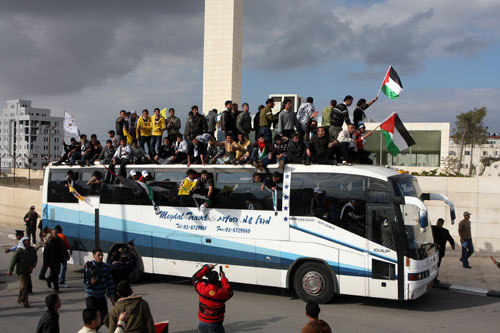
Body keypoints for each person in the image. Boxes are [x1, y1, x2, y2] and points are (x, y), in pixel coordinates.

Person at [192, 264, 233, 332]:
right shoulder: (221, 293)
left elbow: (195, 277)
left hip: (202, 323)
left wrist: (207, 268)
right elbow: (229, 291)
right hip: (216, 324)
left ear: (208, 280)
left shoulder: (202, 289)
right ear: (217, 281)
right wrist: (223, 278)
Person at [84, 249, 116, 324]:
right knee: (92, 318)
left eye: (102, 255)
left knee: (104, 318)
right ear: (94, 256)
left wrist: (111, 295)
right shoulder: (88, 266)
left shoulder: (106, 267)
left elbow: (110, 281)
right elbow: (85, 281)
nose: (101, 257)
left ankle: (95, 330)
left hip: (101, 296)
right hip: (91, 296)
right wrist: (90, 282)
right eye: (98, 255)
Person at [8, 236, 37, 307]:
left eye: (29, 241)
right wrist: (10, 270)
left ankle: (20, 298)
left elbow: (35, 259)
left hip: (28, 271)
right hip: (20, 271)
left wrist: (32, 266)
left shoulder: (31, 249)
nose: (28, 242)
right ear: (23, 242)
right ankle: (25, 301)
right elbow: (13, 261)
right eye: (27, 241)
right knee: (24, 286)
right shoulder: (19, 251)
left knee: (23, 286)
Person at [431, 218, 455, 283]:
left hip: (440, 251)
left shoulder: (445, 231)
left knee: (437, 265)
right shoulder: (432, 228)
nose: (438, 224)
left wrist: (452, 245)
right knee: (431, 265)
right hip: (431, 251)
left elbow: (450, 238)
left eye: (439, 223)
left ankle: (435, 279)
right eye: (437, 222)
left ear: (442, 224)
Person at [44, 228, 68, 293]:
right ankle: (56, 288)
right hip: (52, 261)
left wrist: (66, 256)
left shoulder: (60, 240)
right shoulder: (49, 242)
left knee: (55, 274)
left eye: (57, 233)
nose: (57, 234)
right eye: (55, 233)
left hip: (58, 260)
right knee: (55, 275)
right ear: (52, 234)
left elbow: (64, 248)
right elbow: (46, 253)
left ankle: (49, 279)